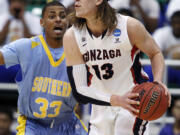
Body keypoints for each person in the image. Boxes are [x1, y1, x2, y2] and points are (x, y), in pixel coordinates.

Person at [63, 0, 171, 135]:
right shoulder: (72, 36)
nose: (76, 1)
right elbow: (79, 91)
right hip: (101, 106)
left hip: (134, 102)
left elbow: (155, 53)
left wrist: (158, 81)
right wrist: (115, 100)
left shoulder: (129, 26)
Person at [0, 1, 87, 135]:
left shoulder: (80, 50)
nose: (58, 19)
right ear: (42, 22)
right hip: (33, 124)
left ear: (67, 22)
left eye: (62, 16)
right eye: (52, 16)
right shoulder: (27, 47)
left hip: (67, 123)